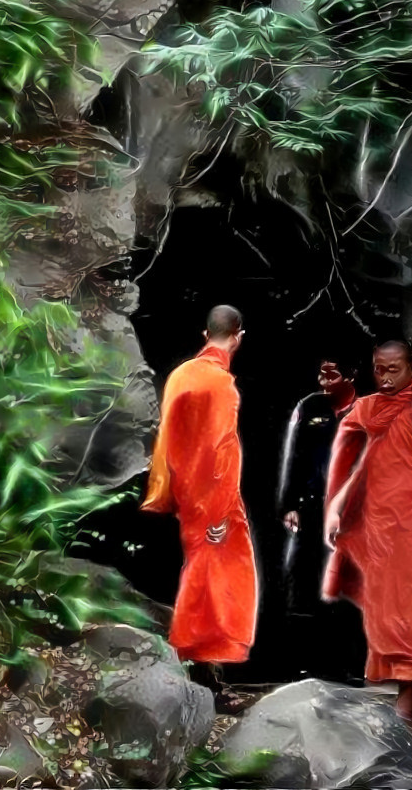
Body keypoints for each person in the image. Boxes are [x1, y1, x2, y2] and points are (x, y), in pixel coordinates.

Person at [322, 341, 412, 722]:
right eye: (379, 370)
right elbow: (347, 450)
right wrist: (338, 508)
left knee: (406, 612)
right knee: (382, 611)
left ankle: (408, 695)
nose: (384, 378)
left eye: (393, 369)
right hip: (377, 525)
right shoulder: (369, 407)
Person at [141, 305, 258, 712]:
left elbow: (166, 439)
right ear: (238, 335)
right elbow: (222, 451)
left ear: (204, 333)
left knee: (203, 582)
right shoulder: (220, 384)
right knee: (219, 589)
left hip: (188, 493)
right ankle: (203, 678)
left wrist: (169, 491)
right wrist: (221, 513)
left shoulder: (181, 375)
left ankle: (206, 679)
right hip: (213, 499)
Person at [278, 358, 364, 680]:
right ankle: (305, 663)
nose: (324, 381)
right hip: (313, 506)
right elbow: (293, 454)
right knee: (305, 579)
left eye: (332, 375)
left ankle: (348, 664)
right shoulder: (310, 406)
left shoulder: (365, 409)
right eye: (321, 374)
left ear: (351, 374)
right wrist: (290, 504)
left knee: (346, 583)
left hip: (353, 512)